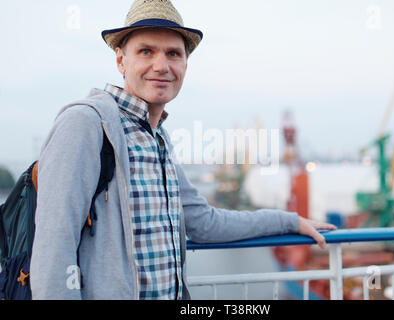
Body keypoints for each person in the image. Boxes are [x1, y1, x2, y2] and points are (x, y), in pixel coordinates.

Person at [30, 0, 337, 300]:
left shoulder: (156, 137)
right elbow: (53, 247)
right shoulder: (85, 123)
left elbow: (205, 223)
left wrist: (290, 222)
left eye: (173, 54)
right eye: (146, 51)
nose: (161, 66)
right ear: (121, 60)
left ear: (185, 65)